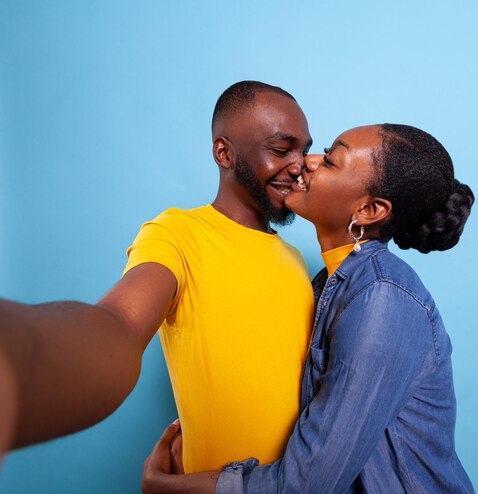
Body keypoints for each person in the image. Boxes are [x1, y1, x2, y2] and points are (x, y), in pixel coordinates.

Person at [0, 81, 314, 475]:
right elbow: (121, 325)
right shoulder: (176, 232)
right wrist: (17, 358)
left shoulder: (296, 258)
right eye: (282, 150)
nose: (301, 164)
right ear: (224, 152)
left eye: (304, 149)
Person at [142, 124, 475, 493]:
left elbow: (306, 484)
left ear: (369, 209)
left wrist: (168, 486)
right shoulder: (326, 284)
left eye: (331, 160)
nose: (308, 163)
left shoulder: (382, 298)